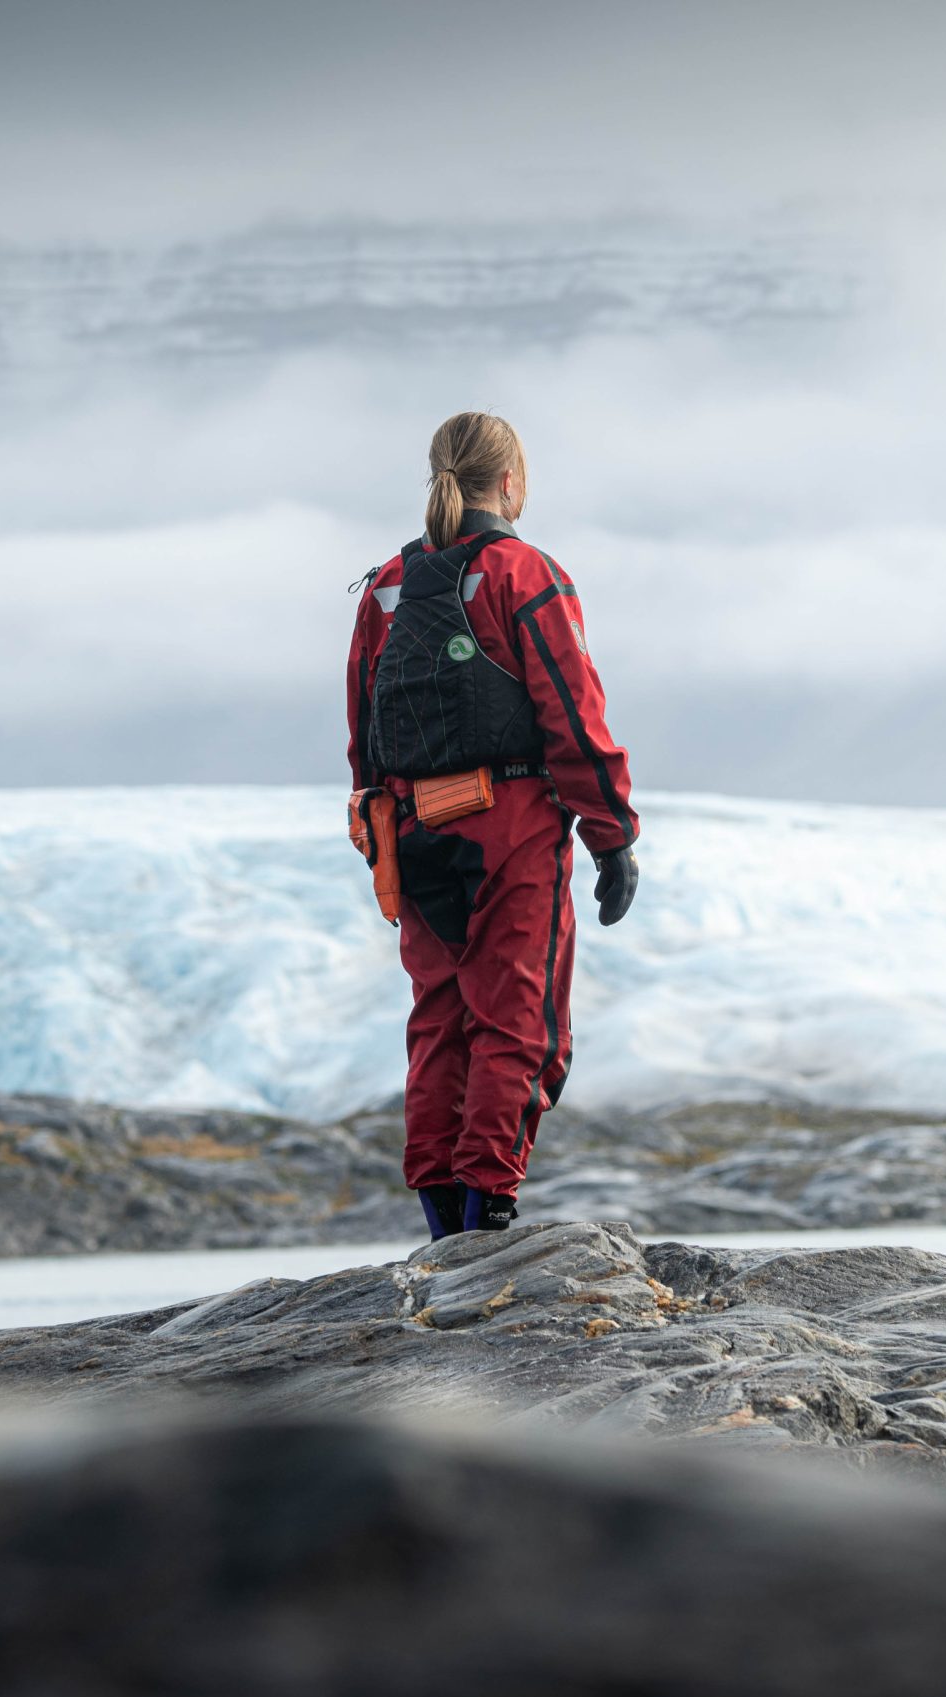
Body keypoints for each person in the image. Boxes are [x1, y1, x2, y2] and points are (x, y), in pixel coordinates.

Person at [345, 411, 639, 1240]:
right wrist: (611, 834)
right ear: (510, 482)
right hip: (507, 824)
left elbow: (363, 731)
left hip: (412, 831)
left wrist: (382, 831)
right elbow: (572, 714)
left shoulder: (386, 588)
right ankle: (488, 1223)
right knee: (518, 1023)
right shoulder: (522, 572)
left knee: (440, 1023)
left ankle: (446, 1235)